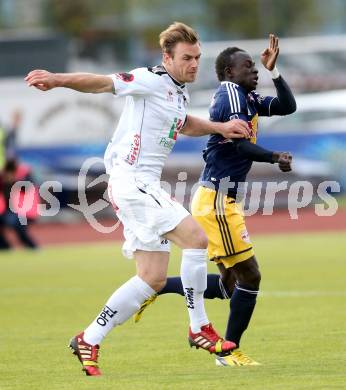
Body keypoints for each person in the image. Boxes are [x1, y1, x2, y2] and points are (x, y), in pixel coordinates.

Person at [25, 22, 251, 376]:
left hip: (142, 186)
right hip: (132, 183)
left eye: (197, 58)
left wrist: (219, 128)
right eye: (187, 58)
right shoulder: (149, 78)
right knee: (195, 239)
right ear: (167, 58)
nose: (194, 64)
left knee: (152, 278)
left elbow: (183, 124)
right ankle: (199, 327)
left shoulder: (177, 92)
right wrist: (57, 79)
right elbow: (102, 82)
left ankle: (89, 337)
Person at [134, 34, 296, 366]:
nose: (254, 70)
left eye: (254, 66)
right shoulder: (231, 93)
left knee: (230, 285)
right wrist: (273, 155)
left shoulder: (246, 95)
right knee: (250, 277)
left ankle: (156, 286)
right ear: (228, 71)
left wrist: (274, 72)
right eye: (247, 66)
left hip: (217, 198)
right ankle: (229, 350)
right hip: (219, 200)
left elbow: (287, 107)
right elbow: (238, 144)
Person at [0, 158, 39, 249]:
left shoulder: (24, 175)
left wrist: (13, 181)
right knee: (12, 221)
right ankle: (4, 246)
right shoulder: (3, 179)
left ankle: (32, 245)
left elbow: (28, 188)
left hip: (25, 211)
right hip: (10, 211)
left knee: (16, 223)